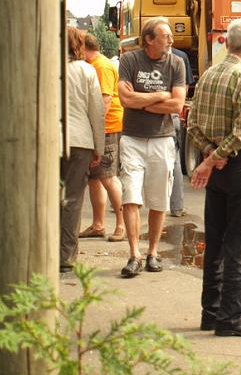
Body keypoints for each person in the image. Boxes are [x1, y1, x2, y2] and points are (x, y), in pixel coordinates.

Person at [187, 17, 241, 338]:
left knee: (216, 240)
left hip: (219, 166)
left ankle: (211, 312)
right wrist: (215, 159)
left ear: (225, 42)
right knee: (238, 241)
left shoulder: (208, 75)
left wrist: (209, 156)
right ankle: (231, 318)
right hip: (240, 163)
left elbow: (192, 124)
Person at [117, 17, 186, 278]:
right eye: (165, 36)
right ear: (149, 39)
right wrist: (159, 96)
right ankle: (134, 254)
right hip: (132, 138)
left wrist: (140, 101)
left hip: (162, 138)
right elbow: (125, 98)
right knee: (131, 196)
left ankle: (153, 253)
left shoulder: (176, 63)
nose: (171, 40)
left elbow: (177, 105)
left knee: (159, 199)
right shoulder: (130, 60)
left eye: (170, 36)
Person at [60, 28, 105, 273]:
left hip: (48, 140)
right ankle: (66, 257)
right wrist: (98, 147)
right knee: (73, 200)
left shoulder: (45, 67)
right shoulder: (86, 70)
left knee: (47, 197)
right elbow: (96, 112)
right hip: (80, 142)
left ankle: (42, 250)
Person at [79, 34, 126, 242]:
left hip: (107, 127)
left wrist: (95, 131)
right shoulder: (95, 64)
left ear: (83, 47)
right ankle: (98, 225)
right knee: (95, 178)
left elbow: (105, 102)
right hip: (100, 128)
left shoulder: (101, 66)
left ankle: (122, 224)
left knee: (107, 176)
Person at [169, 46, 194, 218]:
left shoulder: (135, 57)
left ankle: (128, 204)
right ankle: (177, 207)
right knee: (174, 160)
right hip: (172, 113)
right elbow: (185, 86)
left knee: (136, 163)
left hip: (148, 113)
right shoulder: (180, 56)